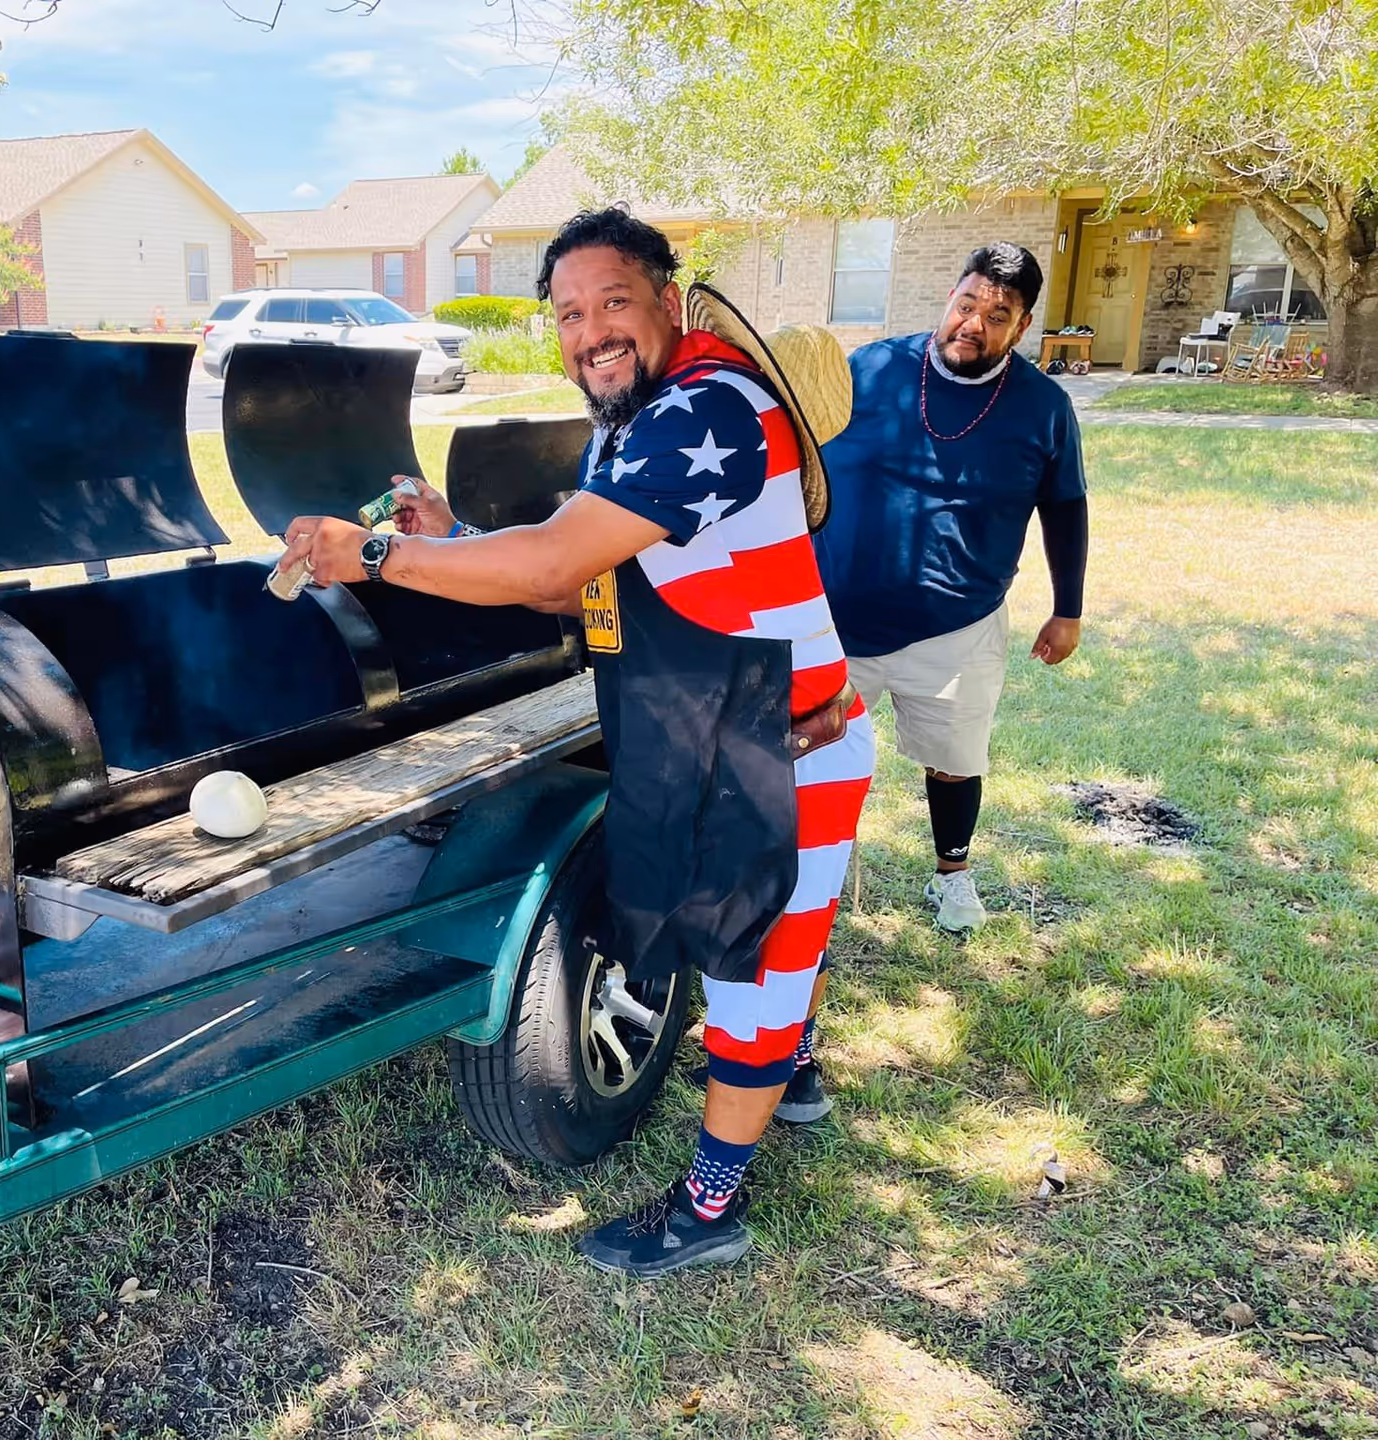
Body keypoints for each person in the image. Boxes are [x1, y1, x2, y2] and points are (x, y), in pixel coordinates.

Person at [276, 208, 873, 1277]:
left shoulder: (717, 410)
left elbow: (554, 565)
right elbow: (589, 574)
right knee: (775, 940)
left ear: (670, 305)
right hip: (739, 731)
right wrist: (450, 537)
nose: (590, 331)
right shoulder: (641, 418)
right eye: (568, 314)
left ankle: (708, 1209)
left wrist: (371, 554)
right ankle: (798, 1075)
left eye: (614, 303)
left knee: (756, 978)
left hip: (785, 749)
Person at [813, 242, 1088, 932]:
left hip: (958, 626)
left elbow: (1066, 507)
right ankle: (809, 876)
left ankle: (953, 875)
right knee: (809, 759)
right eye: (967, 303)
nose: (974, 323)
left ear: (1022, 327)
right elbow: (797, 458)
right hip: (835, 620)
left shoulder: (1044, 408)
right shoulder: (869, 369)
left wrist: (1068, 610)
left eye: (998, 315)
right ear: (950, 296)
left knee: (956, 762)